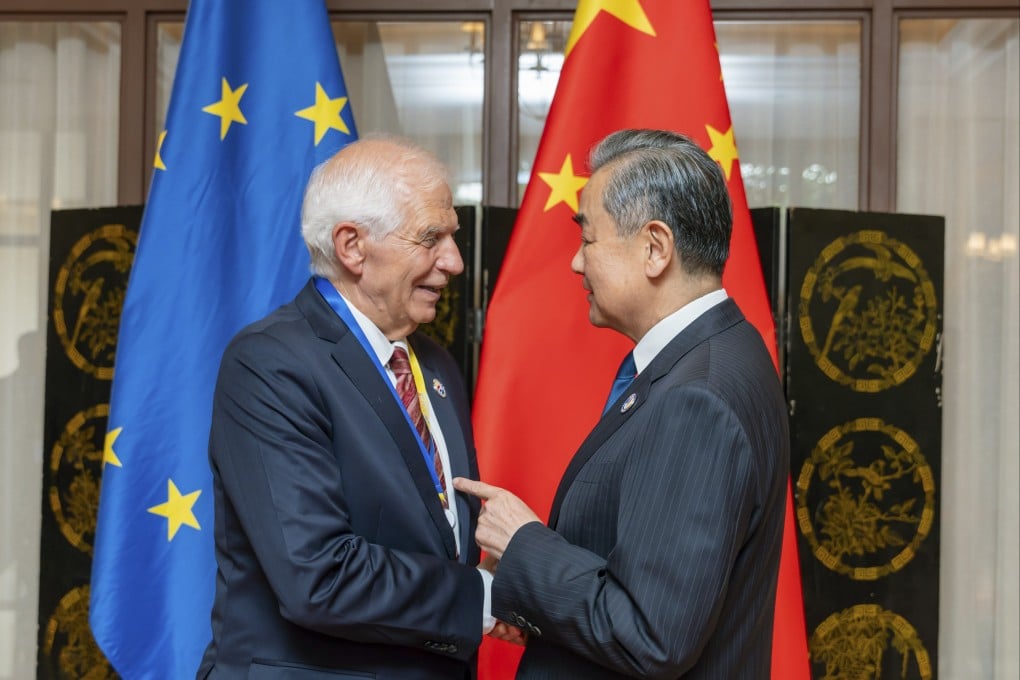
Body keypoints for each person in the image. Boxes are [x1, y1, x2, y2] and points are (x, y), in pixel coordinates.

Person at [454, 128, 790, 678]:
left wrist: (524, 546)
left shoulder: (696, 397)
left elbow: (651, 636)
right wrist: (534, 595)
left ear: (655, 248)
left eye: (587, 239)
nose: (575, 264)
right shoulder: (719, 350)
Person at [198, 135, 495, 679]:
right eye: (432, 238)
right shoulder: (270, 364)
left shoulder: (433, 364)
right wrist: (484, 599)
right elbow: (319, 576)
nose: (453, 261)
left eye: (451, 237)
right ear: (352, 246)